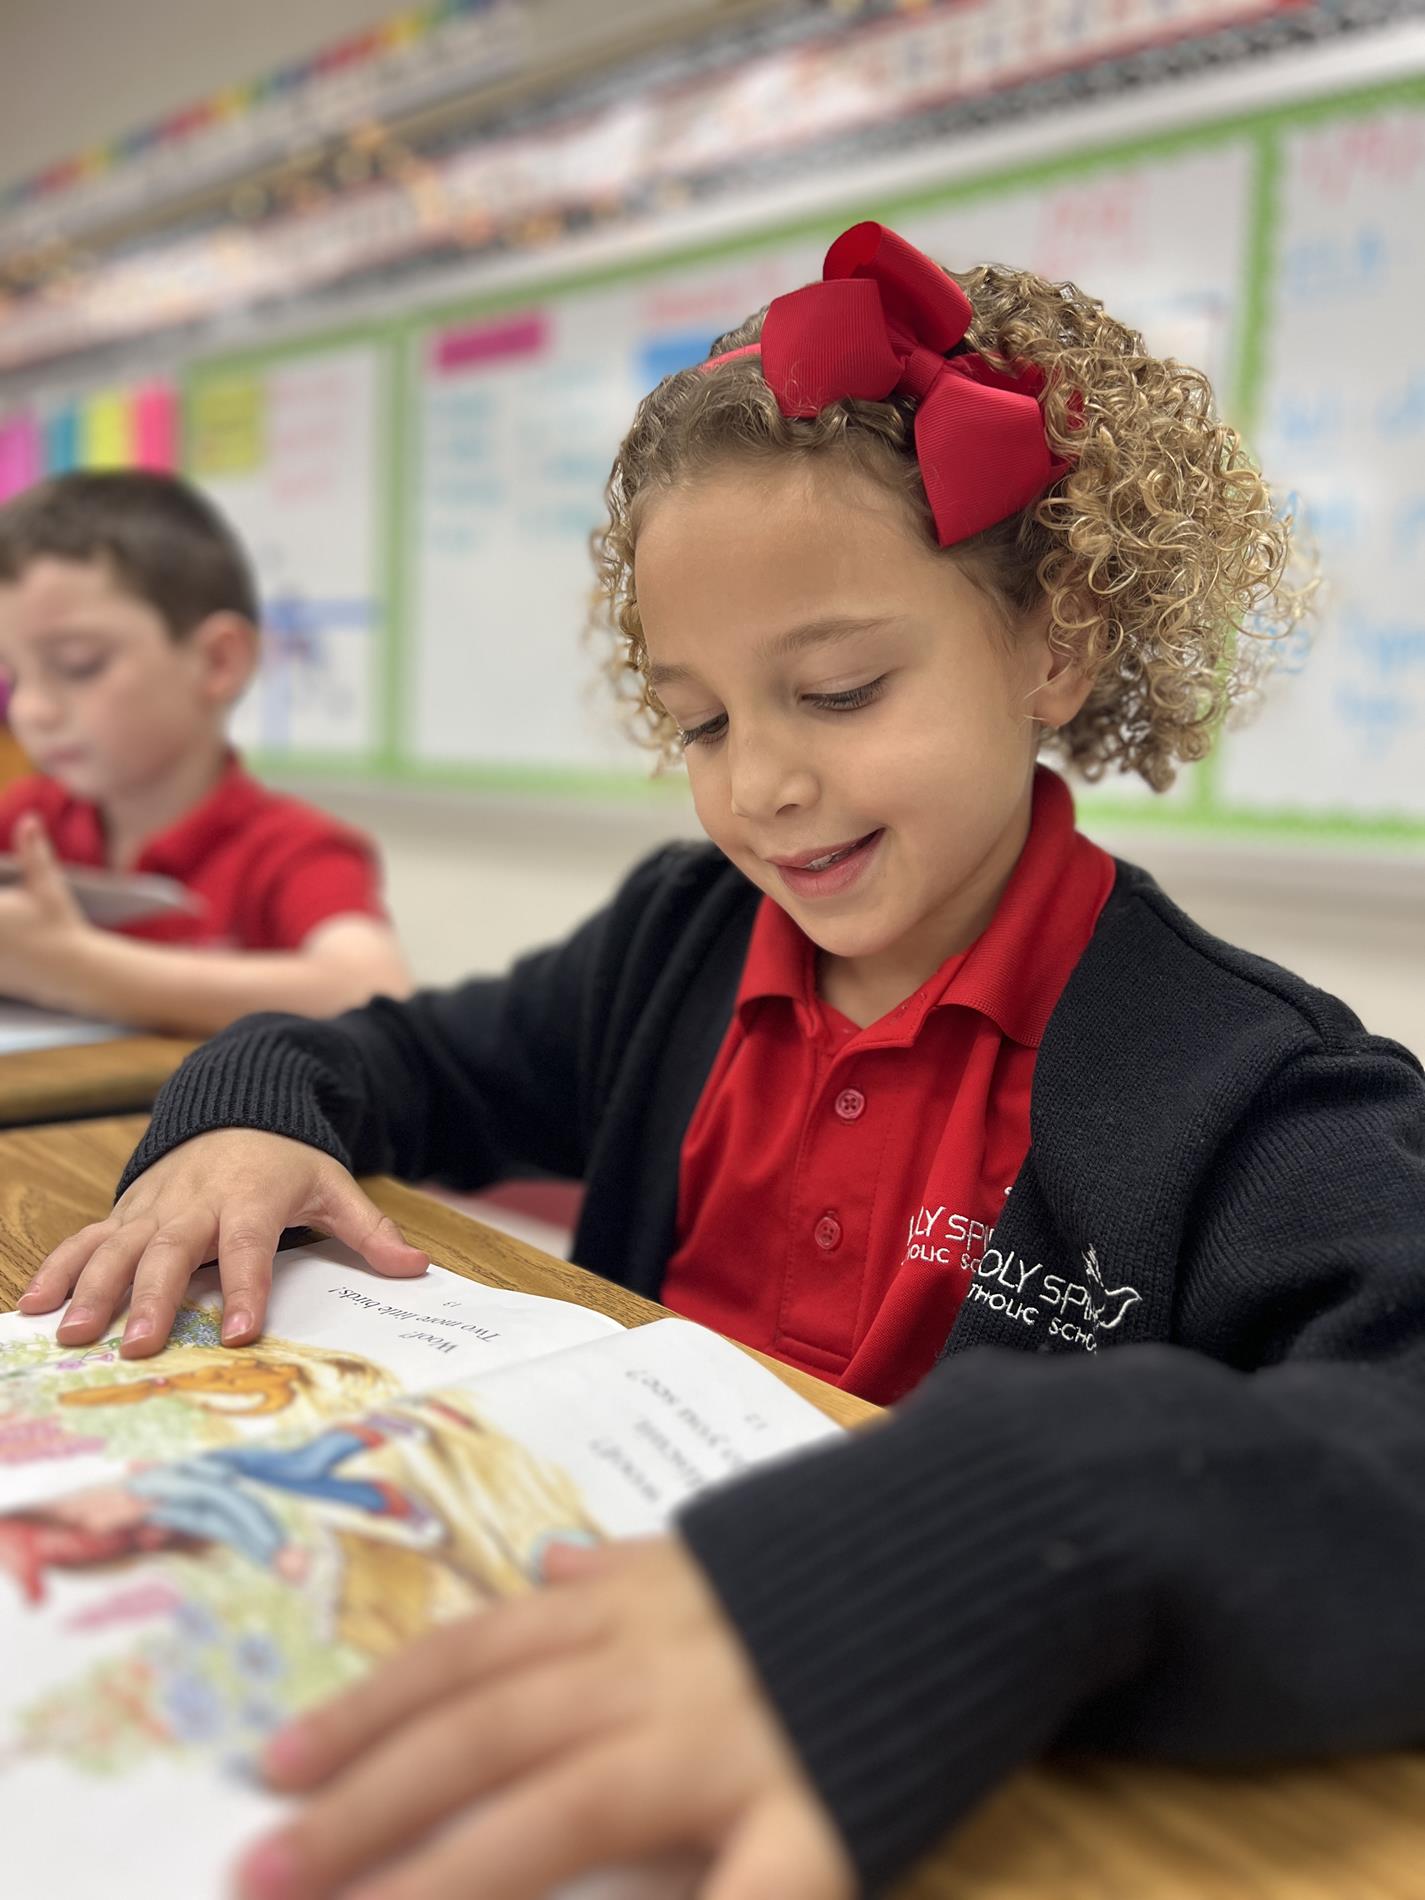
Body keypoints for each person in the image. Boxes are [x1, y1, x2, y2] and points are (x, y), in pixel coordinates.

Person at [20, 225, 1425, 1899]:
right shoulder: (677, 947)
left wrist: (1020, 1520)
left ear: (1055, 644)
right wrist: (238, 1118)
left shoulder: (1245, 1087)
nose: (758, 786)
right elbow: (376, 1053)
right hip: (588, 1670)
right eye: (700, 721)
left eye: (835, 691)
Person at [0, 470, 409, 1035]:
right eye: (12, 675)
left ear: (218, 662)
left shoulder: (294, 850)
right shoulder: (26, 821)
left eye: (79, 664)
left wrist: (72, 968)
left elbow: (373, 991)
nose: (31, 710)